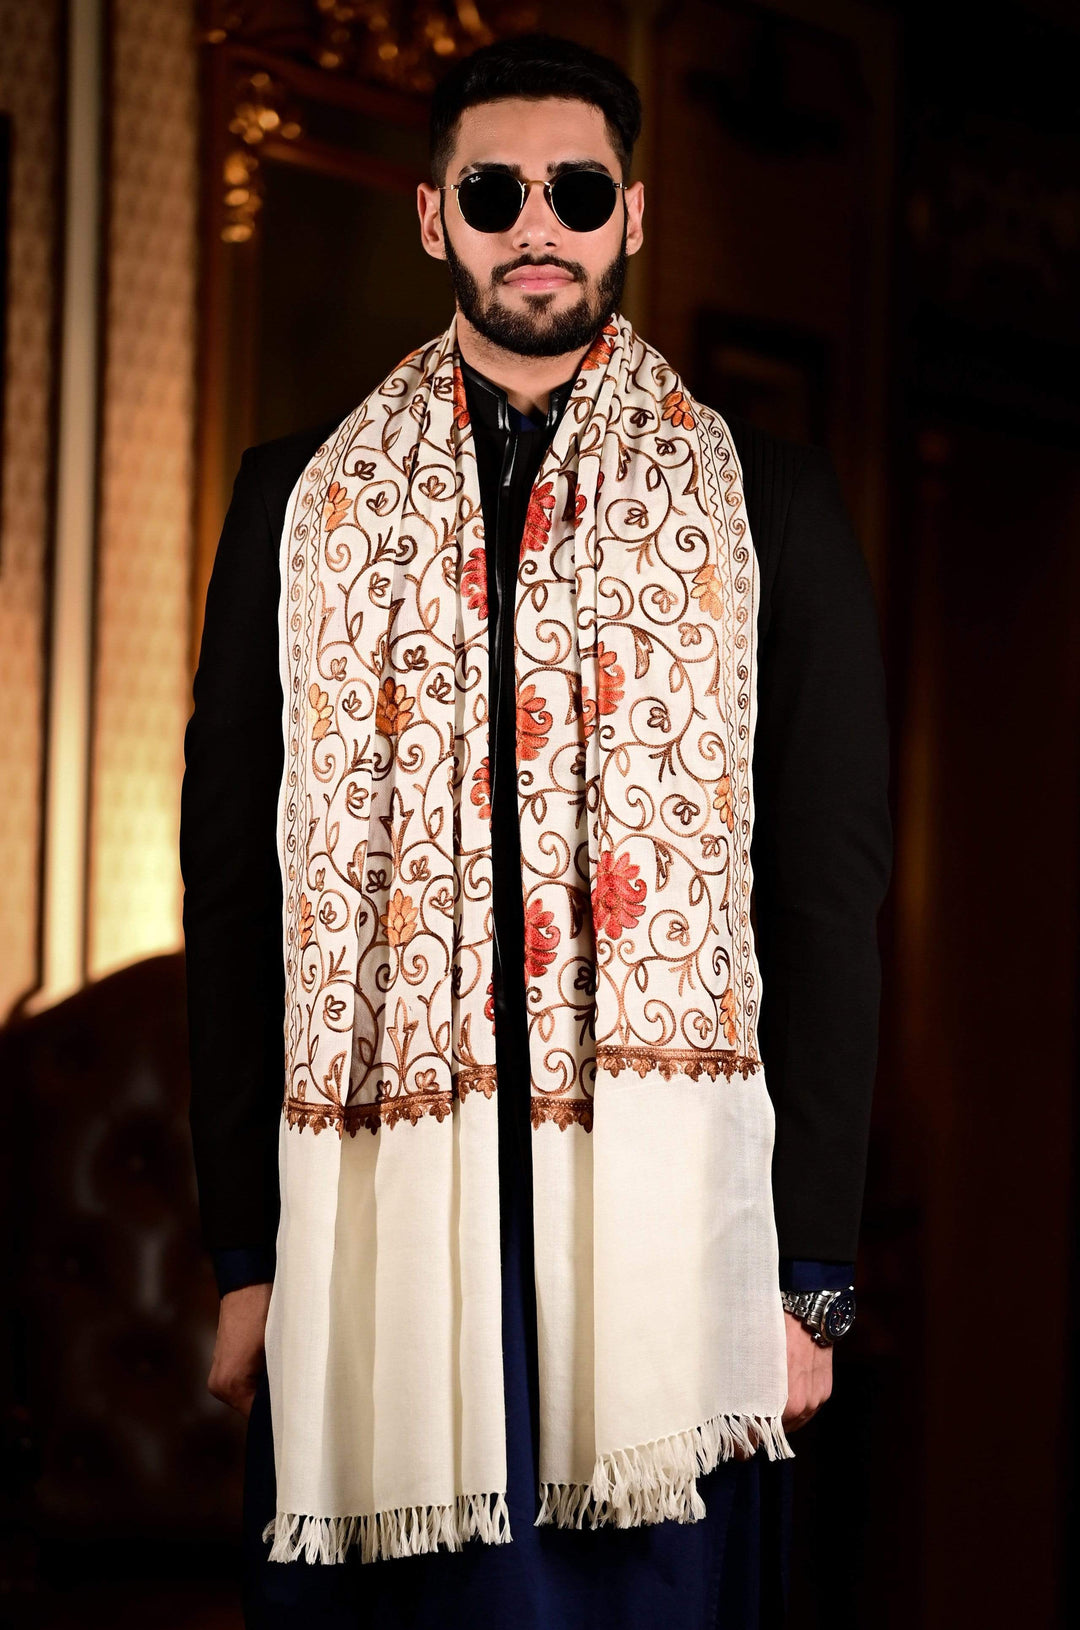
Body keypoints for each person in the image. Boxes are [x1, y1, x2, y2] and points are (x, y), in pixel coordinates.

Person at [180, 31, 893, 1630]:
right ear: (432, 214)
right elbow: (230, 894)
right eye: (494, 192)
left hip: (668, 1239)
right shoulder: (294, 504)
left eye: (576, 191)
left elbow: (825, 901)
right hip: (375, 1228)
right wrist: (245, 1256)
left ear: (633, 212)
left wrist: (811, 1275)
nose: (537, 226)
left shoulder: (768, 503)